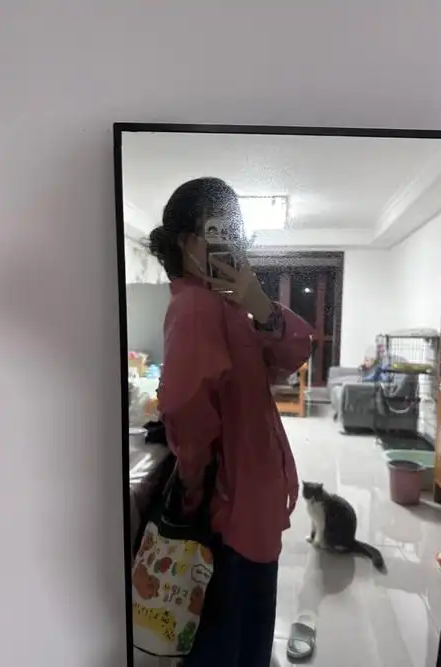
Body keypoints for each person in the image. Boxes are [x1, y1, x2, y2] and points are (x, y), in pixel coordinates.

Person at [148, 177, 313, 667]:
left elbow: (292, 355)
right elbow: (186, 407)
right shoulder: (196, 307)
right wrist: (197, 488)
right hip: (231, 509)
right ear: (186, 240)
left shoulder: (229, 302)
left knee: (246, 629)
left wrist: (258, 302)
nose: (230, 243)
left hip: (250, 498)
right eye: (217, 230)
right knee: (231, 637)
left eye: (234, 232)